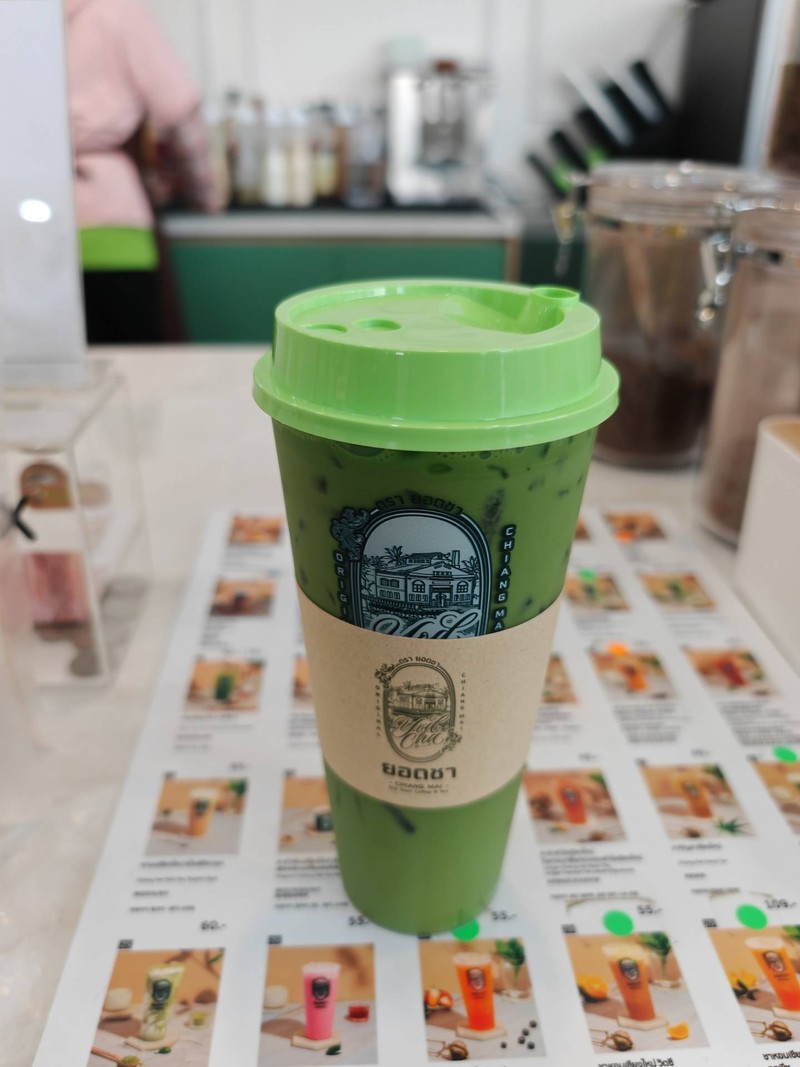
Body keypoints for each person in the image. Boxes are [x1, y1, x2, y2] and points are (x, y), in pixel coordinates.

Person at [66, 0, 222, 343]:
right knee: (137, 366)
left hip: (29, 235)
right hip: (114, 226)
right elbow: (180, 114)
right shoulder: (119, 10)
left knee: (48, 368)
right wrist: (207, 197)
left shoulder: (20, 18)